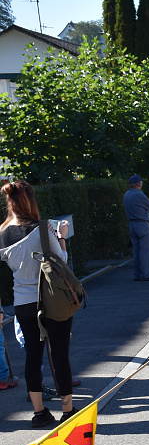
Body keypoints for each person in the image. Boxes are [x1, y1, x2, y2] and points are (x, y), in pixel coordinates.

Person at [0, 180, 75, 426]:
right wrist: (62, 237)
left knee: (33, 355)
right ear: (30, 201)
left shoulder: (2, 233)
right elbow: (60, 259)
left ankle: (39, 412)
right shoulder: (43, 229)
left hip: (23, 303)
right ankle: (67, 410)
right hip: (51, 301)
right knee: (60, 354)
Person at [123, 175, 149, 281]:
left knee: (136, 250)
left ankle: (138, 273)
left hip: (132, 224)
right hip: (142, 224)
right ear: (139, 184)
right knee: (145, 251)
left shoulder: (127, 194)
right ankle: (146, 273)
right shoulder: (139, 194)